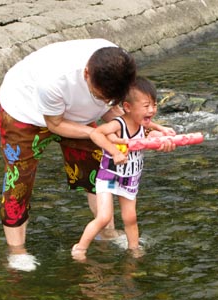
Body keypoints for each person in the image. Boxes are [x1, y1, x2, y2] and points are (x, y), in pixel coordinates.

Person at [0, 39, 173, 271]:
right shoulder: (54, 80)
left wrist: (147, 131)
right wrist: (97, 133)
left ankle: (107, 233)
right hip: (25, 111)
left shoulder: (119, 65)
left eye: (112, 97)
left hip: (76, 111)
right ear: (87, 74)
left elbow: (115, 112)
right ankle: (17, 251)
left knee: (98, 166)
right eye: (100, 96)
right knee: (19, 178)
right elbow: (55, 124)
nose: (106, 102)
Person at [71, 76, 176, 260]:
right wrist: (114, 150)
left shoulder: (145, 127)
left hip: (129, 178)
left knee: (130, 218)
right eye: (146, 106)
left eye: (154, 105)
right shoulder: (118, 124)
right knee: (104, 217)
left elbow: (154, 137)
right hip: (109, 175)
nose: (152, 110)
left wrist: (164, 139)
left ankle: (133, 249)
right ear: (127, 107)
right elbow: (96, 133)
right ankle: (80, 248)